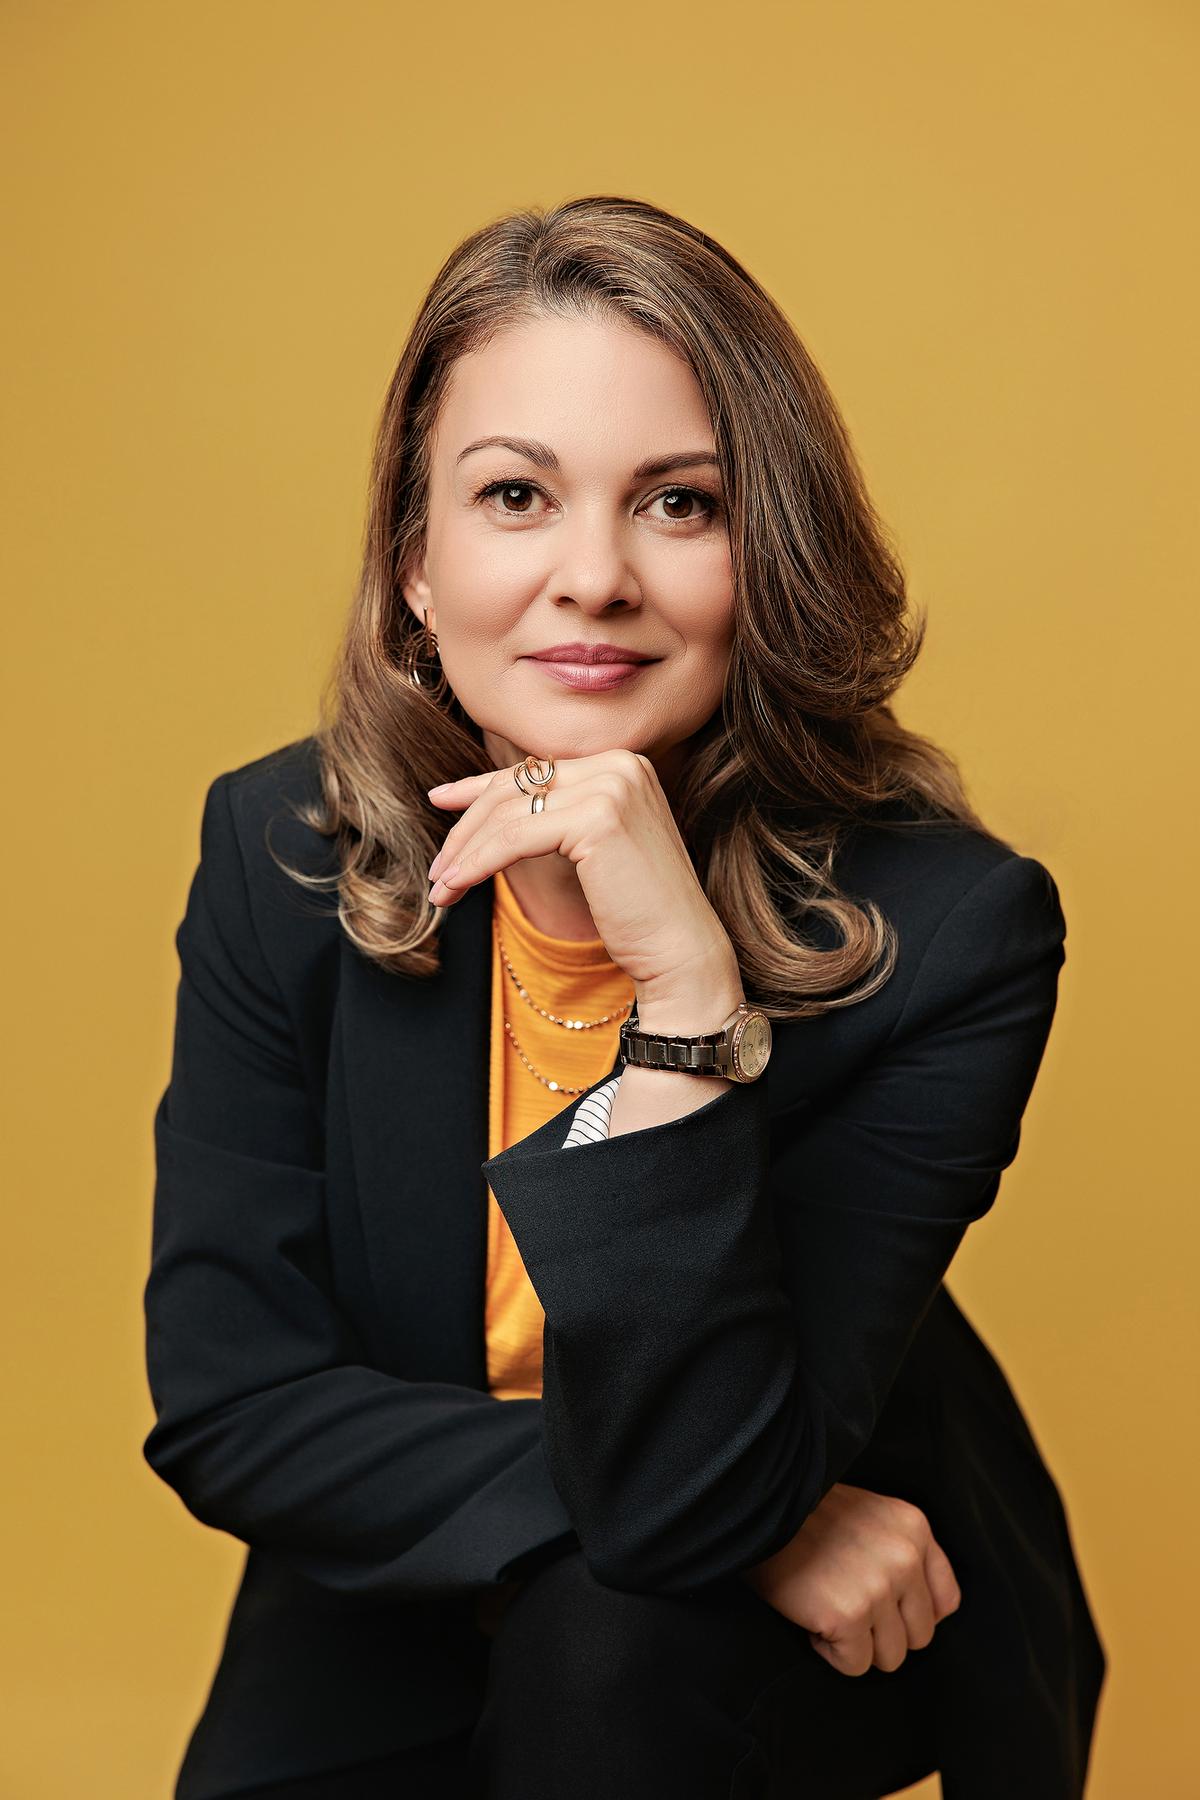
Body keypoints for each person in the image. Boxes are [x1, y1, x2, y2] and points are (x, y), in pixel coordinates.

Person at [141, 195, 1106, 1799]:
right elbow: (237, 1407)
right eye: (515, 495)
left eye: (679, 503)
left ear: (768, 558)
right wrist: (765, 1529)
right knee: (612, 1576)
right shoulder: (279, 852)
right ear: (416, 568)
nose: (592, 578)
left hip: (773, 1657)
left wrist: (682, 988)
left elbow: (683, 1514)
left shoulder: (951, 931)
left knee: (619, 1618)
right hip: (398, 1595)